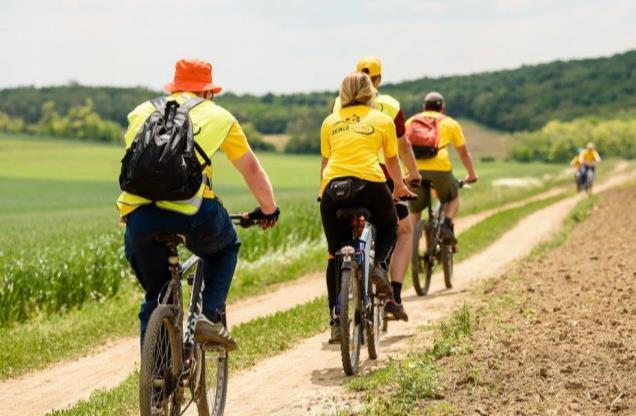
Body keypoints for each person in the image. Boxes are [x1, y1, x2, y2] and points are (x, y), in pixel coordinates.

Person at [117, 59, 279, 351]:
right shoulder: (220, 117)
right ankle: (208, 315)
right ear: (208, 92)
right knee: (225, 247)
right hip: (191, 212)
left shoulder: (141, 112)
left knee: (155, 297)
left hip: (138, 216)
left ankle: (156, 383)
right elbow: (251, 170)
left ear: (175, 87)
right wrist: (269, 209)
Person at [320, 72, 416, 343]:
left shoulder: (329, 122)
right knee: (389, 225)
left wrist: (322, 192)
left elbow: (325, 163)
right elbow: (393, 161)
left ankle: (336, 320)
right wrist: (398, 186)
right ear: (371, 92)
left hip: (334, 189)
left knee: (334, 254)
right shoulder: (382, 120)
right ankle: (379, 267)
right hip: (371, 186)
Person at [390, 92, 477, 288]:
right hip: (440, 170)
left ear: (423, 107)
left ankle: (411, 249)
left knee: (414, 211)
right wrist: (471, 174)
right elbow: (463, 152)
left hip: (414, 171)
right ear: (442, 108)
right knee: (453, 197)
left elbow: (399, 147)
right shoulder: (450, 123)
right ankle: (446, 224)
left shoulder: (411, 121)